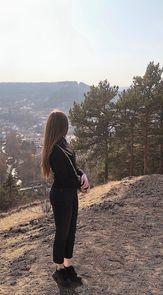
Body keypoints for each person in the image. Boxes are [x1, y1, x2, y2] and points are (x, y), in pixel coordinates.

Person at [41, 109, 90, 288]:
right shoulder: (55, 149)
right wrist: (81, 182)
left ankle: (67, 265)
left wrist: (83, 175)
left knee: (71, 231)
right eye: (65, 125)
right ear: (60, 127)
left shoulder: (63, 144)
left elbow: (73, 168)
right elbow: (67, 177)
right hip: (61, 195)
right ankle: (59, 269)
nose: (67, 129)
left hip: (69, 194)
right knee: (62, 232)